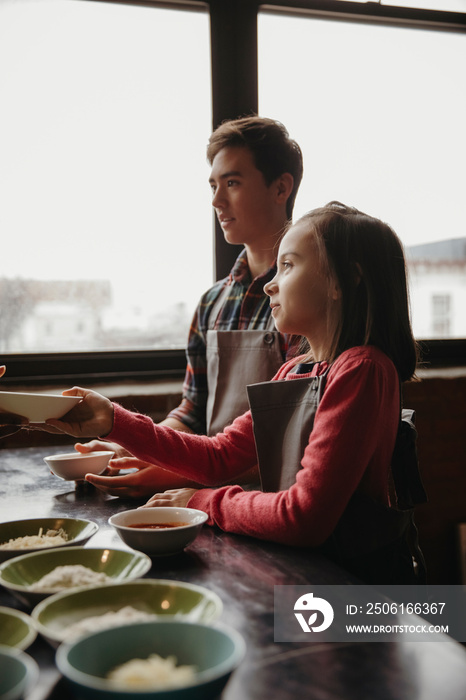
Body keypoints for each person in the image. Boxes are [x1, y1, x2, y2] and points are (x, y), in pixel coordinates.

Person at [44, 202, 426, 584]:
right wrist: (114, 422)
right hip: (303, 573)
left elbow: (303, 517)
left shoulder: (363, 370)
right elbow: (218, 456)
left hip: (351, 585)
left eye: (289, 265)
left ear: (344, 280)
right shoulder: (295, 370)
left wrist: (204, 502)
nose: (269, 282)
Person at [75, 115, 303, 497]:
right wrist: (134, 449)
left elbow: (299, 436)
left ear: (281, 187)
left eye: (232, 183)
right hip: (206, 494)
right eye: (213, 185)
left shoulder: (307, 301)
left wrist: (173, 473)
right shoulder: (212, 302)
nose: (216, 201)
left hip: (272, 502)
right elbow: (193, 411)